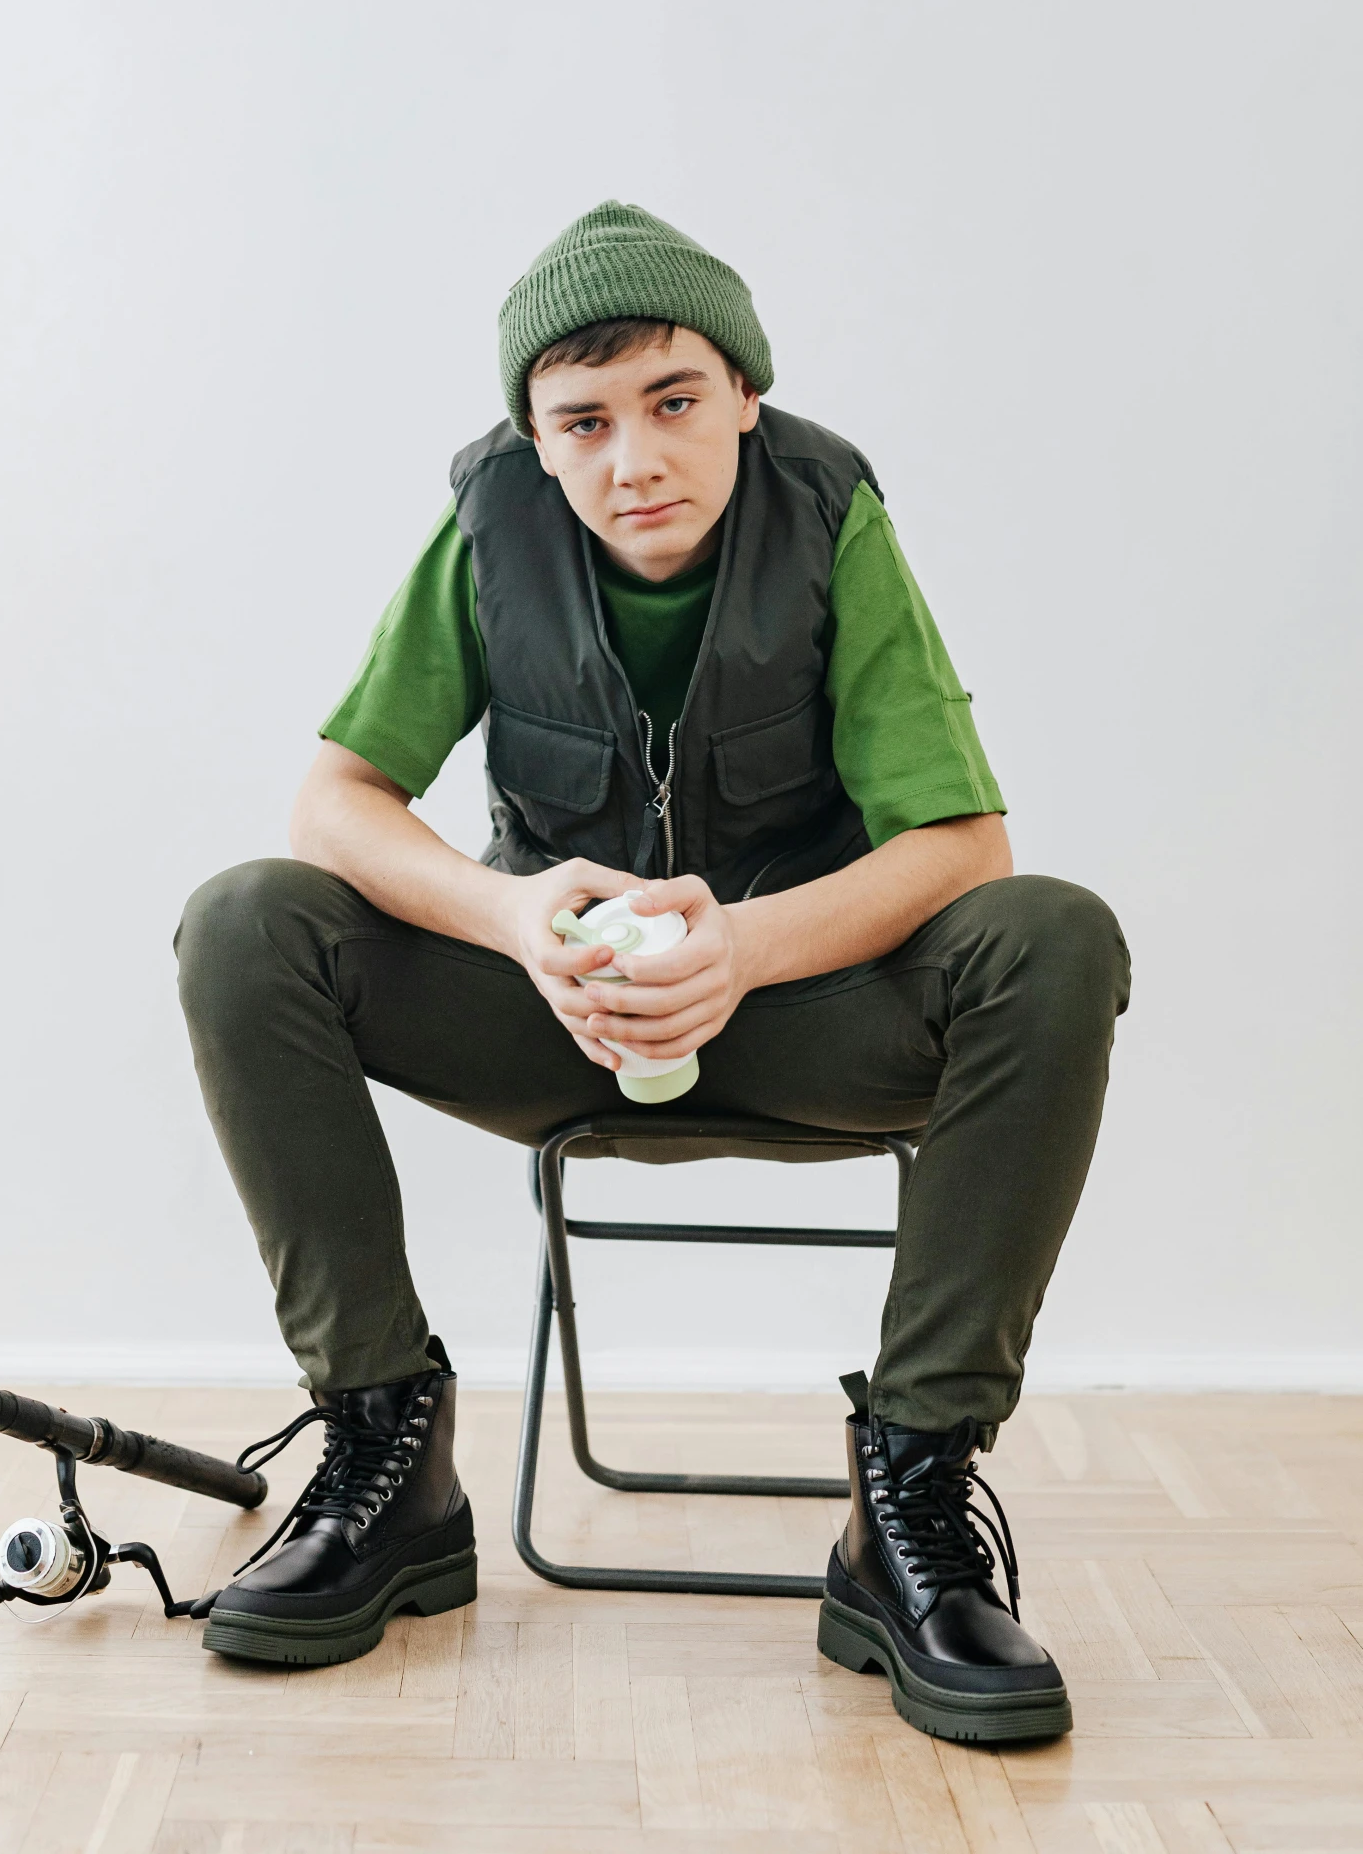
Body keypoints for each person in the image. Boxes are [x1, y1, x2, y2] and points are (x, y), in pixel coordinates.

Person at [176, 200, 1130, 1741]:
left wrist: (744, 946)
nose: (634, 459)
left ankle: (908, 1498)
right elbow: (334, 800)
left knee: (1055, 933)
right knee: (244, 916)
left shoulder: (827, 511)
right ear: (535, 440)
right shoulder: (488, 521)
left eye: (675, 402)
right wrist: (512, 917)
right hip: (555, 1016)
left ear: (744, 392)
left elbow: (963, 848)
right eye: (584, 421)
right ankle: (386, 1454)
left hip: (804, 1013)